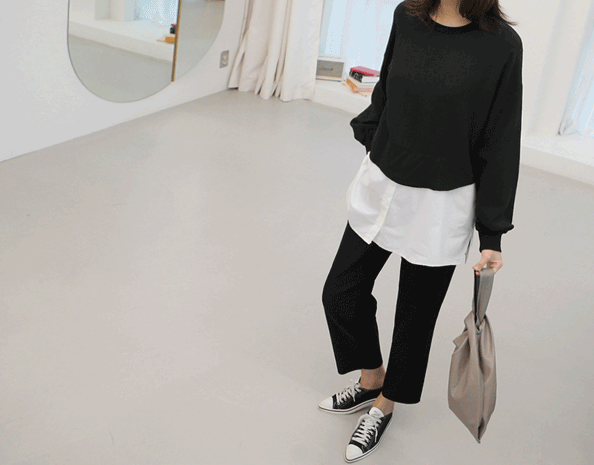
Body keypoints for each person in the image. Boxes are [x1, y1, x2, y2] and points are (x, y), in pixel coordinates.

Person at [319, 0, 523, 462]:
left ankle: (385, 405)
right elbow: (386, 92)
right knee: (341, 292)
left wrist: (492, 235)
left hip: (443, 202)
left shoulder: (502, 46)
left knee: (415, 317)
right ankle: (371, 379)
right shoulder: (406, 16)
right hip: (385, 183)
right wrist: (375, 140)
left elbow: (501, 137)